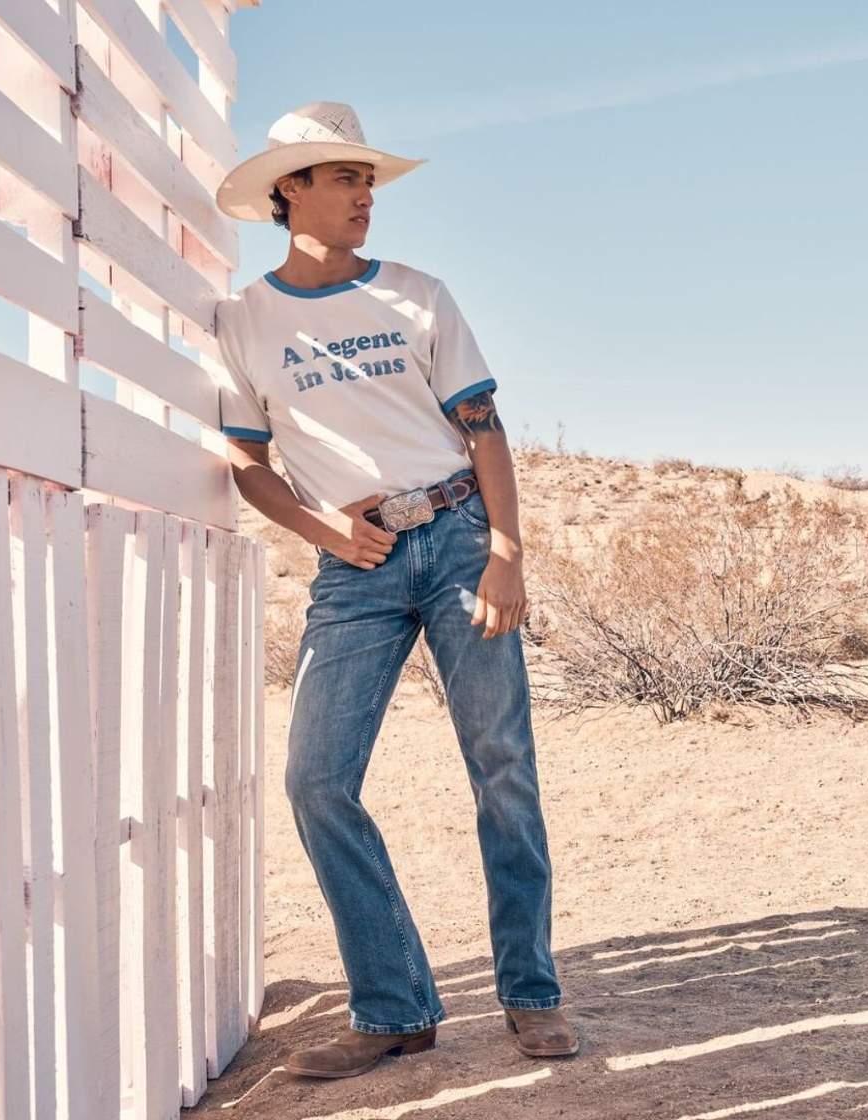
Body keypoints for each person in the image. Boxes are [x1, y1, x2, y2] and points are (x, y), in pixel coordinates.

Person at [213, 101, 578, 1078]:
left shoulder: (419, 295)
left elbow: (484, 427)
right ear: (288, 188)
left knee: (501, 762)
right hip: (354, 567)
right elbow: (247, 462)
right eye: (342, 176)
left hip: (458, 535)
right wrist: (322, 526)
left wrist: (507, 552)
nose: (363, 194)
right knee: (315, 777)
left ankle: (531, 994)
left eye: (366, 178)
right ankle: (394, 1005)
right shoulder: (243, 320)